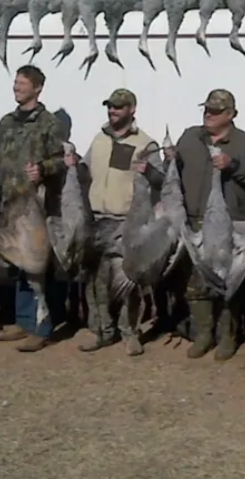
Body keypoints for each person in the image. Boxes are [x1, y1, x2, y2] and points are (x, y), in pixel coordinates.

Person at [165, 89, 245, 361]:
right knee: (195, 283)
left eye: (215, 111)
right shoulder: (190, 136)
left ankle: (227, 336)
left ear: (231, 114)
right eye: (206, 109)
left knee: (228, 283)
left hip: (228, 224)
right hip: (195, 221)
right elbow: (175, 172)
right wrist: (170, 158)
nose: (208, 115)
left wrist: (232, 164)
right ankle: (204, 334)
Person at [0, 64, 67, 353]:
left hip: (36, 206)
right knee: (17, 264)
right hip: (9, 203)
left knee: (37, 266)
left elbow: (61, 161)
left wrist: (43, 169)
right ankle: (24, 321)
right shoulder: (7, 122)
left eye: (22, 84)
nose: (16, 87)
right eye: (15, 83)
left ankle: (42, 327)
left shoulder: (49, 123)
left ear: (37, 88)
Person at [71, 88, 165, 357]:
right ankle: (101, 331)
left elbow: (162, 181)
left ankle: (129, 333)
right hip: (97, 220)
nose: (112, 110)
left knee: (128, 282)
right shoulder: (99, 139)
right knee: (96, 281)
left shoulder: (146, 144)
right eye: (110, 106)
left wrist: (149, 170)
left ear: (132, 109)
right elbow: (85, 171)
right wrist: (74, 164)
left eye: (118, 107)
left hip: (127, 223)